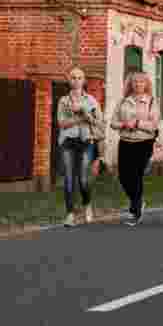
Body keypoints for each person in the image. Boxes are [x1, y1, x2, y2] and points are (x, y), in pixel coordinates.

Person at [110, 71, 160, 226]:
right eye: (135, 82)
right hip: (125, 142)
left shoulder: (151, 101)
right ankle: (137, 201)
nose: (138, 84)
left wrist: (137, 123)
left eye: (141, 82)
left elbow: (154, 125)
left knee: (136, 176)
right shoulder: (123, 101)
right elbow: (113, 122)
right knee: (124, 177)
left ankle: (135, 211)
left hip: (144, 142)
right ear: (130, 84)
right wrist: (124, 125)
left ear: (146, 84)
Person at [56, 67, 103, 227]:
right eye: (73, 78)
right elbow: (62, 123)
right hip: (68, 142)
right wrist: (79, 118)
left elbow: (99, 122)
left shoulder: (91, 100)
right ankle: (70, 214)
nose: (76, 81)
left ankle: (87, 204)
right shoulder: (64, 101)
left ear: (84, 81)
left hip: (86, 141)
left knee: (83, 178)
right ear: (69, 80)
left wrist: (83, 112)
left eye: (79, 78)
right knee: (69, 178)